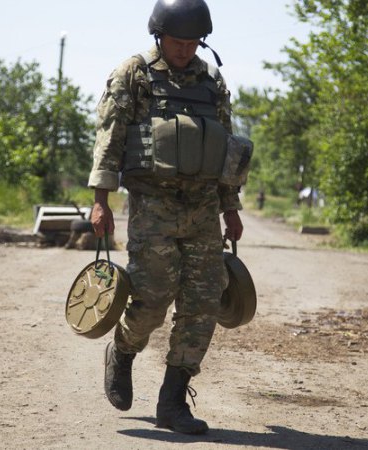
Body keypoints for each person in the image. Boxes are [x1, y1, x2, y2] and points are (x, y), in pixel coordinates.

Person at [88, 0, 248, 435]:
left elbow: (226, 148)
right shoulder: (134, 75)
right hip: (153, 205)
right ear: (159, 36)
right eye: (177, 42)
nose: (184, 49)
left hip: (203, 208)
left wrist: (231, 207)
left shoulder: (212, 82)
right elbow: (109, 138)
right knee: (151, 301)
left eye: (192, 42)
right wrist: (101, 200)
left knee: (203, 303)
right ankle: (123, 351)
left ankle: (173, 401)